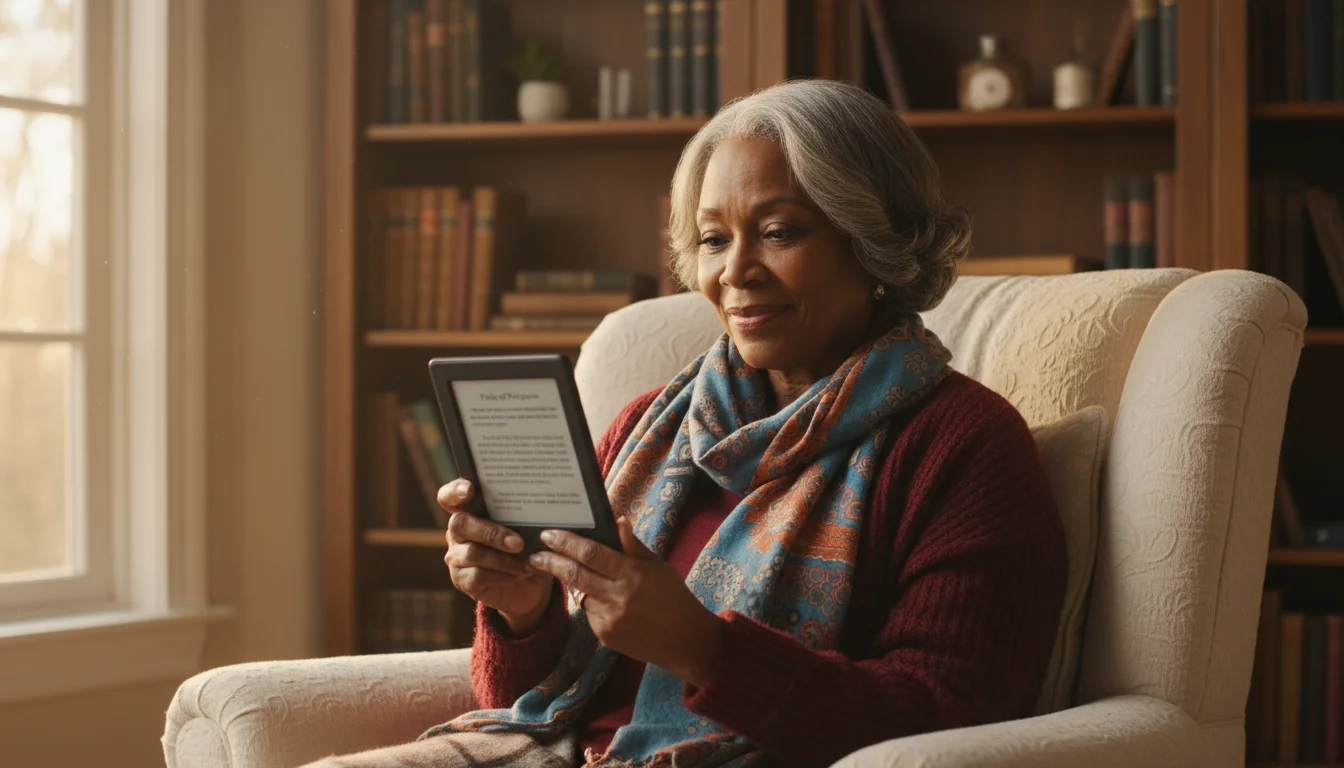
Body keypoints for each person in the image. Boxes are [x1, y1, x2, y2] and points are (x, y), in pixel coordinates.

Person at [303, 79, 1066, 768]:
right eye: (711, 239)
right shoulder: (646, 426)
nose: (734, 271)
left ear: (874, 243)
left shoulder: (961, 444)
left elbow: (954, 717)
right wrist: (521, 608)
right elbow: (533, 700)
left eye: (779, 231)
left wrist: (706, 650)